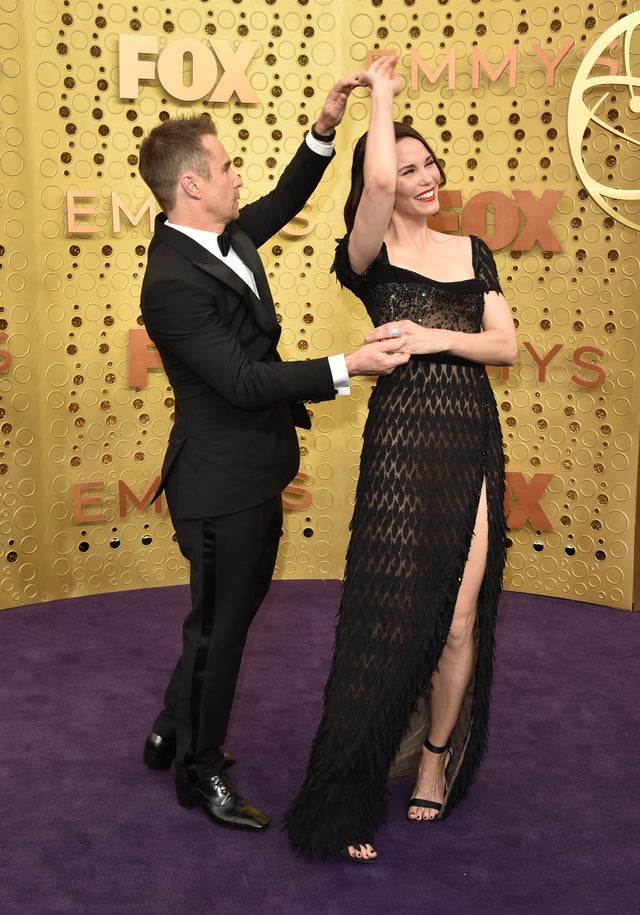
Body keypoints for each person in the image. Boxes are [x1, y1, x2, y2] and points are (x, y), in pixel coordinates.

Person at [137, 75, 410, 834]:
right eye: (225, 168)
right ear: (192, 184)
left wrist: (326, 124)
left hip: (256, 470)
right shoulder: (169, 282)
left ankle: (169, 722)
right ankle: (200, 769)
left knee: (227, 613)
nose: (238, 176)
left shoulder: (224, 237)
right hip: (219, 485)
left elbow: (287, 197)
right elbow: (242, 379)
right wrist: (348, 365)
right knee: (221, 630)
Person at [284, 55, 518, 862]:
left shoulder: (473, 251)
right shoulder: (369, 249)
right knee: (386, 619)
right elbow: (375, 184)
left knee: (459, 620)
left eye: (429, 163)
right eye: (406, 164)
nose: (419, 176)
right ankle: (347, 786)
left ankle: (433, 758)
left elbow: (506, 345)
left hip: (471, 442)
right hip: (400, 449)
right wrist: (379, 97)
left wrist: (431, 338)